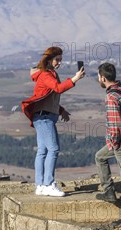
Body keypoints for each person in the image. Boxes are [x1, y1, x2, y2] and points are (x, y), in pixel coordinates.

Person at [21, 47, 85, 196]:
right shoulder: (45, 75)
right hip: (44, 118)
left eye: (60, 60)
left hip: (44, 116)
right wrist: (75, 78)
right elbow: (58, 88)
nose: (59, 63)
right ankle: (48, 184)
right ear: (49, 60)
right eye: (57, 60)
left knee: (43, 151)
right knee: (53, 149)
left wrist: (60, 110)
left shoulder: (49, 74)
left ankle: (40, 185)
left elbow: (48, 96)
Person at [94, 62, 121, 224]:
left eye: (99, 76)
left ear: (103, 78)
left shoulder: (111, 96)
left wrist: (114, 143)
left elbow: (116, 125)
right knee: (100, 157)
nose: (98, 79)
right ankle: (109, 192)